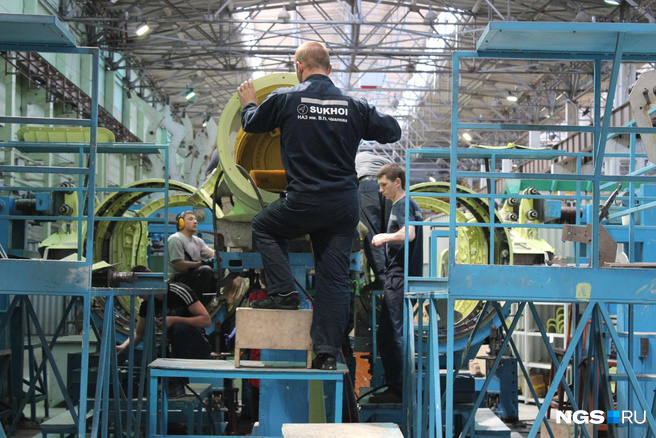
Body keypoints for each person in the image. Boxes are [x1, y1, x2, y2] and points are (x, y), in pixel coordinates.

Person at [236, 41, 401, 370]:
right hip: (343, 207)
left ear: (298, 67)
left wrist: (249, 102)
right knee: (334, 279)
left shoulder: (286, 98)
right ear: (330, 68)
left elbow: (251, 124)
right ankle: (326, 354)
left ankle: (284, 293)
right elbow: (393, 130)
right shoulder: (353, 105)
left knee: (264, 226)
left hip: (304, 200)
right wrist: (359, 119)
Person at [370, 163, 423, 403]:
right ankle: (397, 387)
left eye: (384, 185)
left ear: (397, 182)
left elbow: (408, 234)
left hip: (399, 277)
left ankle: (398, 390)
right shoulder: (409, 205)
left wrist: (384, 237)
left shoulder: (403, 204)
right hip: (401, 277)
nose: (381, 190)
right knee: (391, 333)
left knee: (390, 335)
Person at [117, 268, 212, 396]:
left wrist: (174, 319)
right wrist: (123, 346)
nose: (138, 295)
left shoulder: (179, 291)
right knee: (156, 354)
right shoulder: (146, 304)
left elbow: (206, 320)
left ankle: (178, 384)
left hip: (197, 348)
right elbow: (138, 333)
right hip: (173, 349)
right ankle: (151, 388)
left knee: (179, 329)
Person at [355, 151, 392, 287]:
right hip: (388, 185)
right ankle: (394, 276)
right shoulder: (381, 160)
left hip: (366, 186)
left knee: (371, 233)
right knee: (390, 232)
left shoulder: (355, 160)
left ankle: (382, 279)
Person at [168, 210, 216, 304]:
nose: (195, 221)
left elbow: (213, 255)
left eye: (195, 219)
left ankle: (207, 304)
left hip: (189, 278)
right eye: (190, 219)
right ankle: (198, 305)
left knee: (214, 274)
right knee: (205, 270)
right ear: (181, 223)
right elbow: (181, 266)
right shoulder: (176, 239)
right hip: (176, 282)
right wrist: (202, 263)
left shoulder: (197, 241)